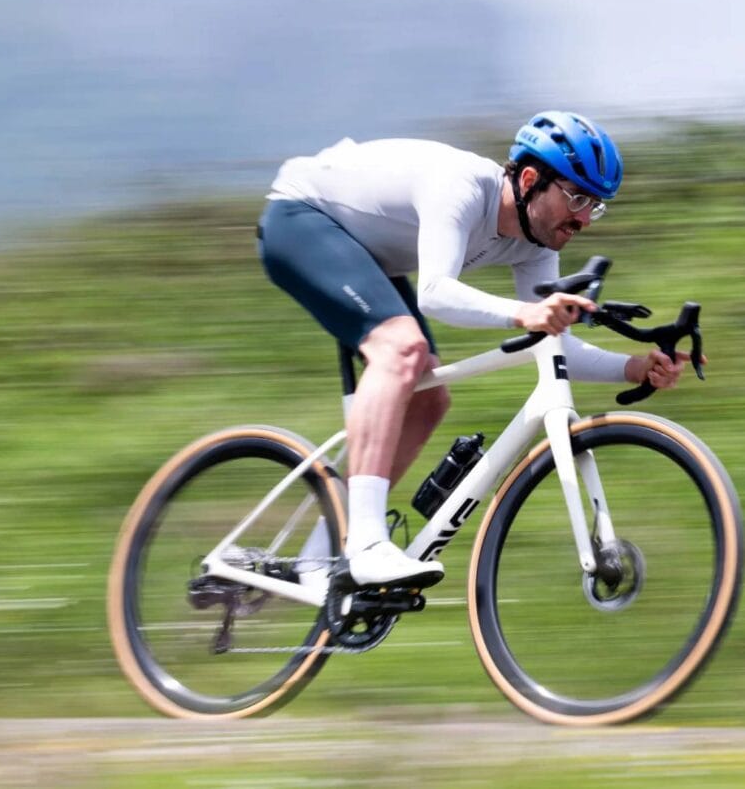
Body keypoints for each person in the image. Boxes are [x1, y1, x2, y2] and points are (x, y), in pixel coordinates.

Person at [257, 111, 692, 590]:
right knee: (403, 350)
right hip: (302, 219)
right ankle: (364, 543)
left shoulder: (536, 243)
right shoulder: (462, 186)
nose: (586, 218)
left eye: (596, 205)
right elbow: (436, 293)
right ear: (530, 180)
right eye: (577, 197)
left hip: (365, 253)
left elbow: (555, 342)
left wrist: (634, 368)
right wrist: (523, 313)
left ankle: (320, 556)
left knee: (429, 396)